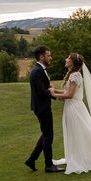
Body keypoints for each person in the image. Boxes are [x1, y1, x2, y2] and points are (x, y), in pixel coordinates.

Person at [25, 45, 63, 173]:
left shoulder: (39, 70)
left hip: (42, 106)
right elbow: (41, 92)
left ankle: (31, 159)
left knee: (46, 134)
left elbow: (43, 88)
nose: (50, 58)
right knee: (49, 135)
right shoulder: (37, 71)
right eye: (48, 55)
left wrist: (49, 88)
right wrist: (52, 92)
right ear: (42, 57)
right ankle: (48, 165)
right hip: (42, 107)